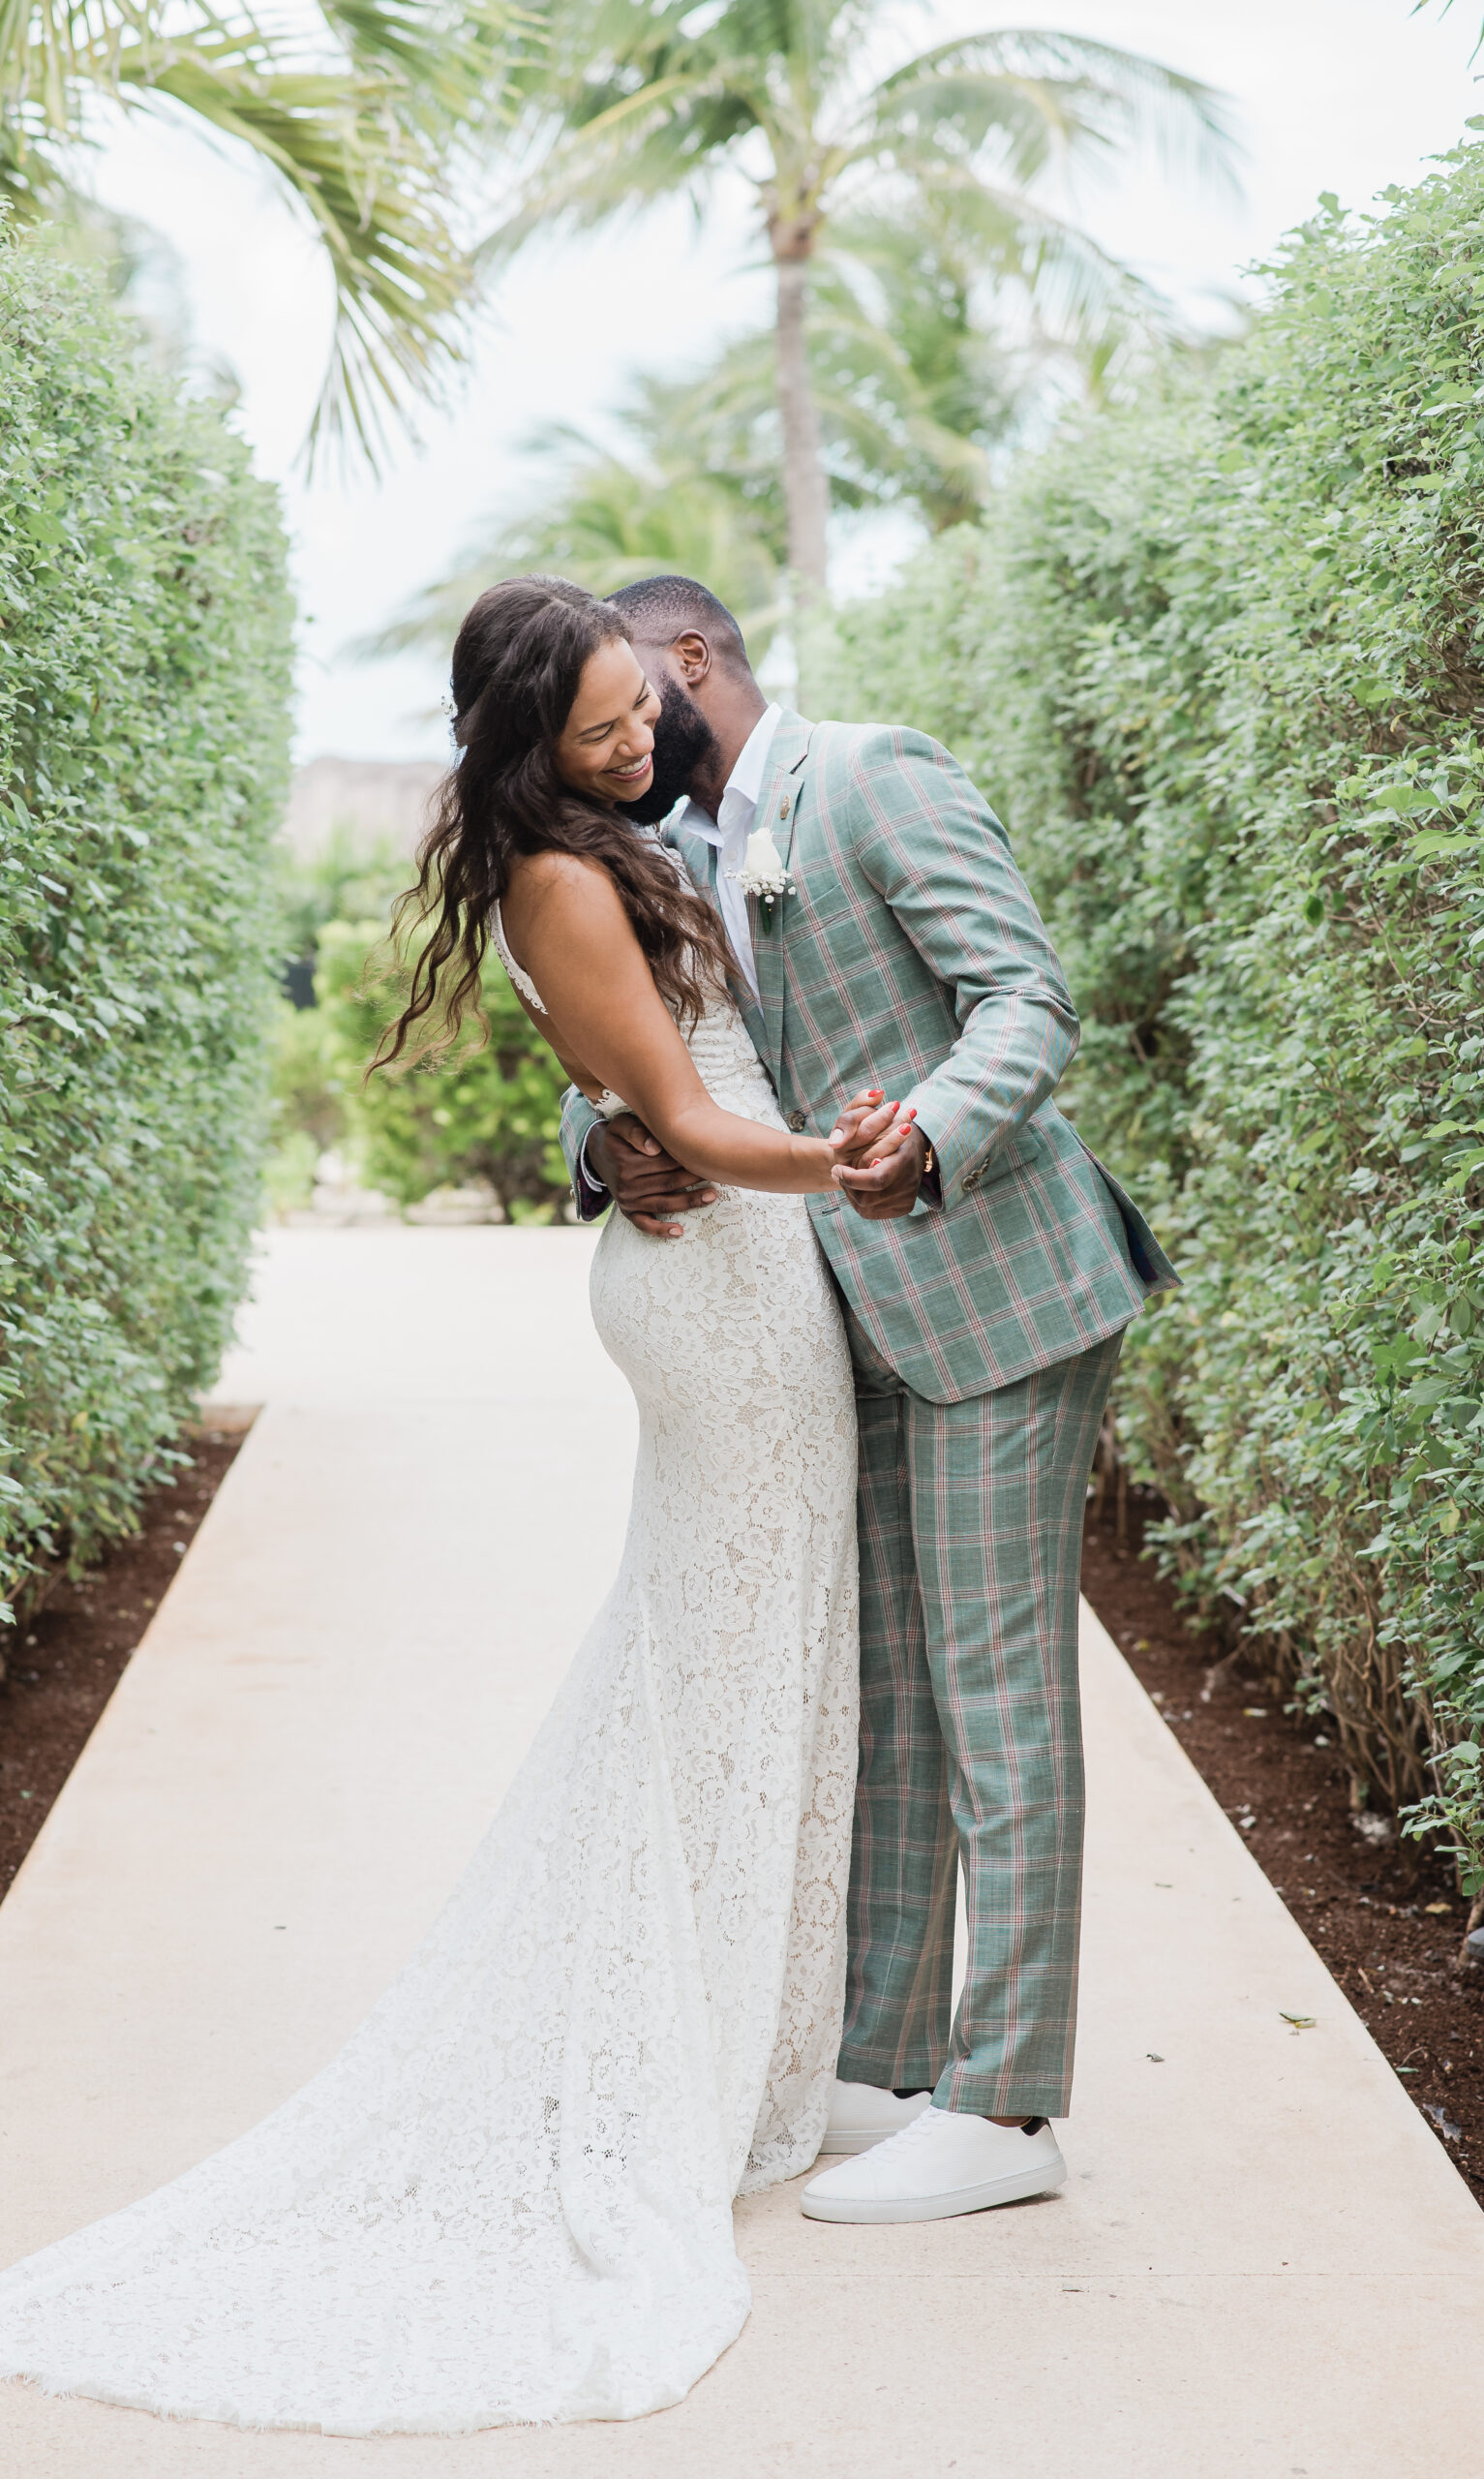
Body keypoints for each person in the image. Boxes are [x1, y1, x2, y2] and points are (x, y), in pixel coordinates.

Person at [0, 576, 903, 2434]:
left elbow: (651, 1092)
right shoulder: (565, 875)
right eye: (604, 728)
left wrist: (749, 1158)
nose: (642, 742)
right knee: (714, 1673)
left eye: (643, 709)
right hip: (720, 1280)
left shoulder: (595, 843)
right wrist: (846, 1165)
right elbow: (686, 1128)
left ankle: (747, 2059)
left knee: (751, 1660)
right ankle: (673, 2074)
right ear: (528, 741)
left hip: (736, 1277)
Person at [560, 572, 1176, 2227]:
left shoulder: (875, 775)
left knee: (993, 1695)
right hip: (838, 1332)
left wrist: (930, 1128)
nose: (614, 741)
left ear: (690, 662)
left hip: (995, 1291)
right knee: (893, 1701)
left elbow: (1026, 1000)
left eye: (628, 699)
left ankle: (1007, 2104)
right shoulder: (666, 855)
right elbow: (638, 1067)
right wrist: (605, 1144)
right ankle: (887, 2064)